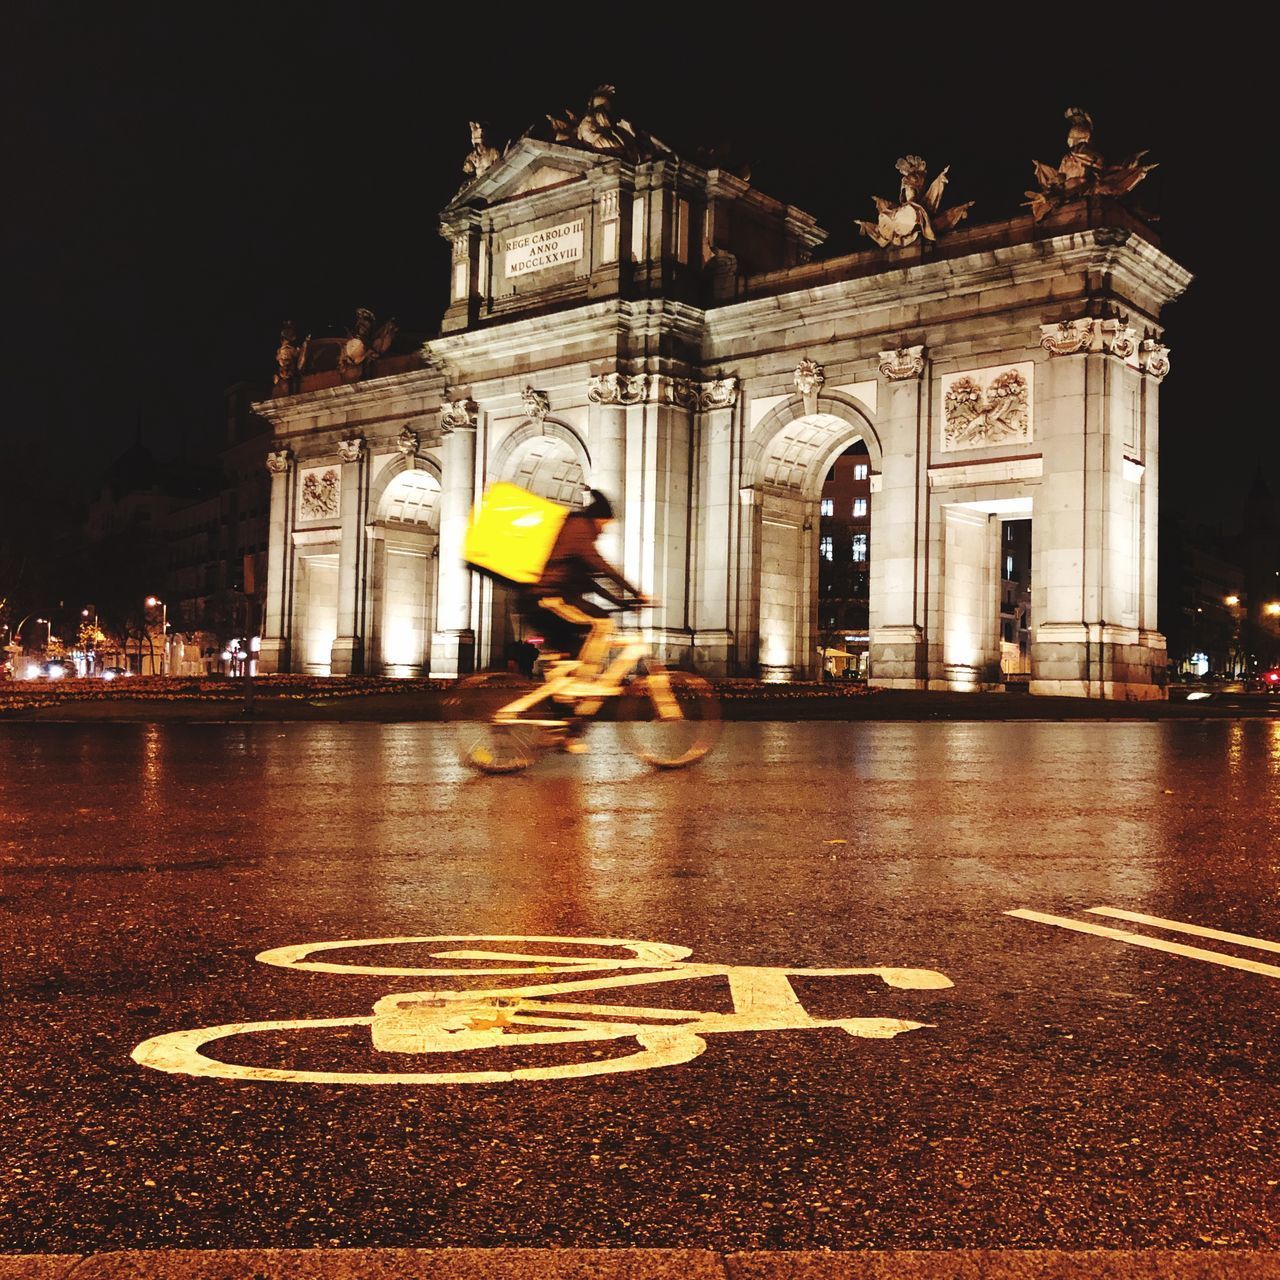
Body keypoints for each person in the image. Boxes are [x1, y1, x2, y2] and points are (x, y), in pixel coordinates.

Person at [518, 489, 646, 749]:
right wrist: (636, 593)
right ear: (597, 517)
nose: (603, 530)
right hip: (548, 598)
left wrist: (622, 603)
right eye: (604, 524)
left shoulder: (576, 533)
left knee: (570, 659)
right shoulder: (578, 528)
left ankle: (563, 727)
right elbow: (600, 566)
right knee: (600, 624)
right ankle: (580, 688)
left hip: (550, 599)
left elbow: (591, 581)